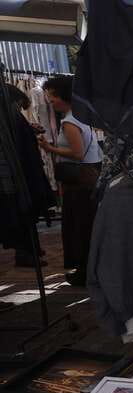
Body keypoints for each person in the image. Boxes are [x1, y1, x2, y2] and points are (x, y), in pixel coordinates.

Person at [38, 76, 103, 286]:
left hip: (79, 181)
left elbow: (77, 153)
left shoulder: (68, 121)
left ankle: (84, 271)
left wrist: (49, 149)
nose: (50, 100)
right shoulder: (79, 116)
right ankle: (90, 269)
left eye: (53, 96)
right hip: (88, 178)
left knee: (80, 227)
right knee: (86, 225)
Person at [4, 84, 53, 268]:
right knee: (26, 214)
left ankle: (30, 249)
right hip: (23, 174)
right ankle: (27, 251)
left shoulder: (12, 117)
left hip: (23, 173)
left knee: (27, 214)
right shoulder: (12, 116)